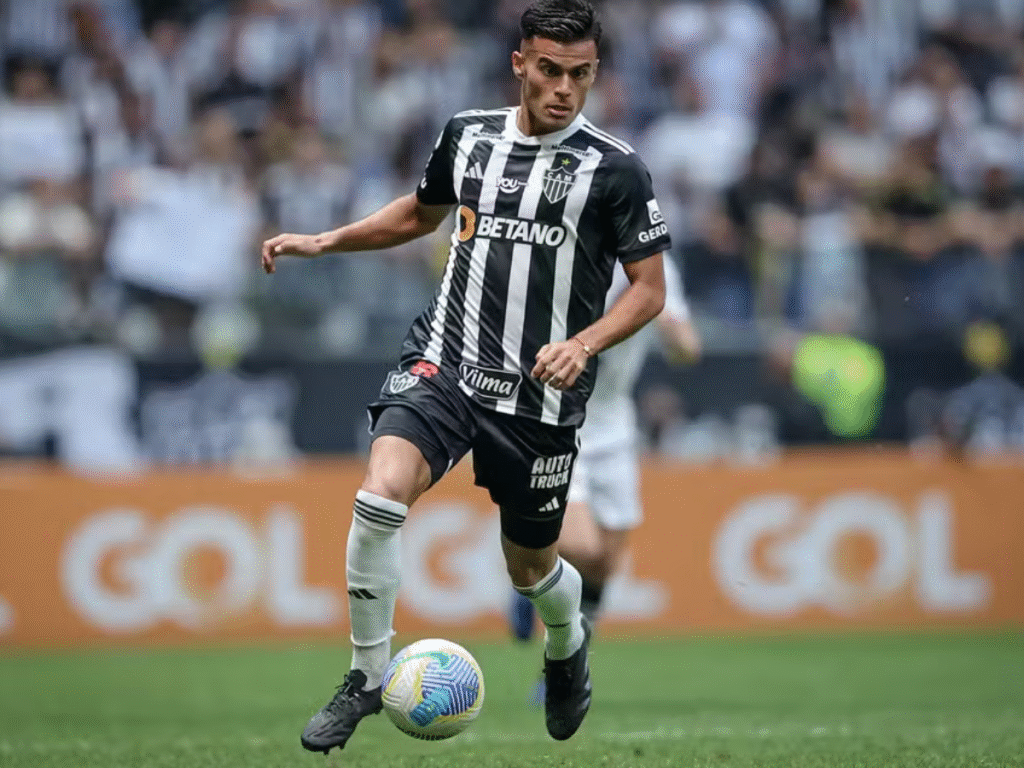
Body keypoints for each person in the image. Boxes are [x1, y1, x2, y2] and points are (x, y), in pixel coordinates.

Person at [261, 0, 671, 753]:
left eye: (580, 75)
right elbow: (420, 215)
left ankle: (565, 644)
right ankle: (364, 677)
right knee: (380, 491)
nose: (563, 89)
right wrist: (327, 241)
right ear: (520, 64)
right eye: (549, 70)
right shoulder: (470, 136)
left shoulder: (614, 170)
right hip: (445, 362)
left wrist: (583, 344)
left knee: (533, 568)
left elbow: (650, 290)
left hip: (538, 394)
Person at [509, 256, 700, 645]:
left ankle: (567, 666)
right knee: (581, 544)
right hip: (555, 415)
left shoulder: (653, 266)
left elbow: (687, 347)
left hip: (613, 420)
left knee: (604, 561)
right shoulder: (560, 251)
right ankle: (525, 559)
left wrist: (674, 334)